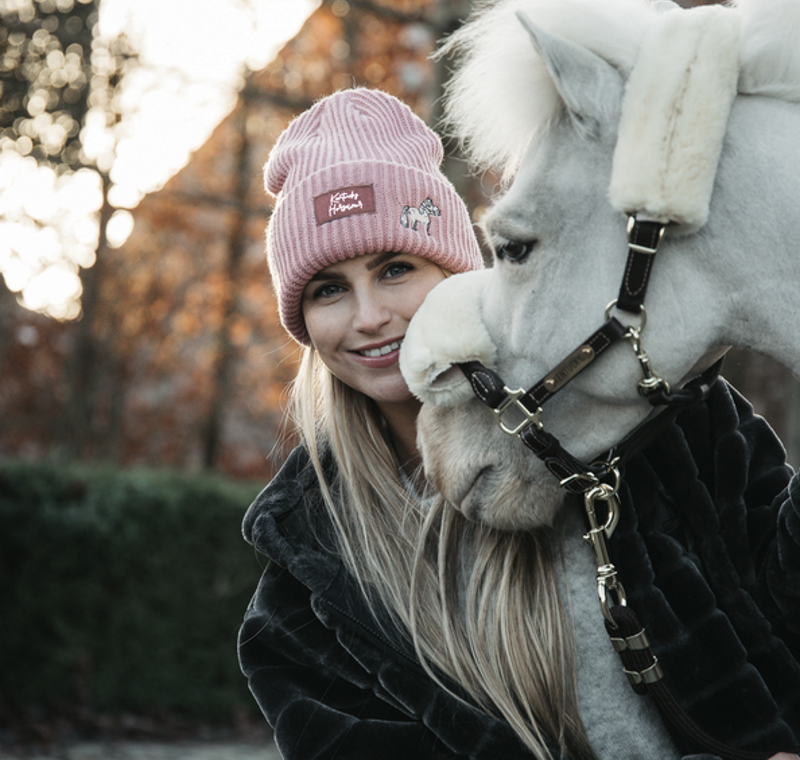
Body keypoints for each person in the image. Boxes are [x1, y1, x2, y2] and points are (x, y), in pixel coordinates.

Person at [237, 87, 800, 760]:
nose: (368, 316)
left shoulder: (654, 415)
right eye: (328, 289)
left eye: (395, 269)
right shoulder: (304, 589)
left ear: (457, 270)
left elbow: (781, 598)